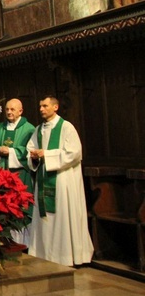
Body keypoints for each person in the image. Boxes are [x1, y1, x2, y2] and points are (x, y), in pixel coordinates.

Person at [26, 96, 94, 266]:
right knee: (45, 219)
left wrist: (46, 155)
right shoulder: (39, 129)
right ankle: (44, 253)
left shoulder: (66, 127)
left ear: (55, 107)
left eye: (45, 106)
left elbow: (74, 153)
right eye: (40, 106)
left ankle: (65, 255)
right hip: (44, 178)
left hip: (63, 180)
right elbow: (30, 149)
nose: (41, 109)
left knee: (62, 216)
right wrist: (33, 156)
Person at [0, 99, 35, 244]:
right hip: (1, 174)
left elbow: (30, 151)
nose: (9, 112)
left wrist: (11, 151)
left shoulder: (29, 129)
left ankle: (23, 242)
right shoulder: (0, 127)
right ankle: (4, 239)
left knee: (19, 207)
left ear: (21, 111)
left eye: (12, 109)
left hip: (20, 176)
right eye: (7, 109)